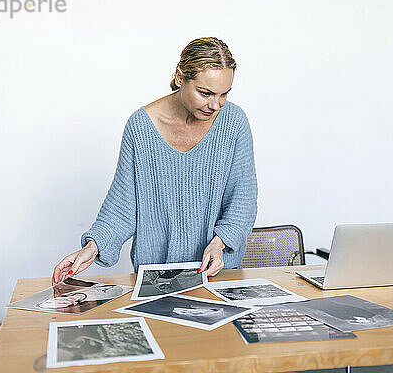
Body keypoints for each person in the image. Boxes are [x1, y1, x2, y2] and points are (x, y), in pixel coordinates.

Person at [52, 37, 258, 285]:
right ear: (180, 77)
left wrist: (220, 242)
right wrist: (92, 248)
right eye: (205, 93)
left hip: (217, 274)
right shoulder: (140, 127)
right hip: (157, 279)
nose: (215, 105)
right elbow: (123, 206)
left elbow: (243, 200)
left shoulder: (234, 122)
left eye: (224, 94)